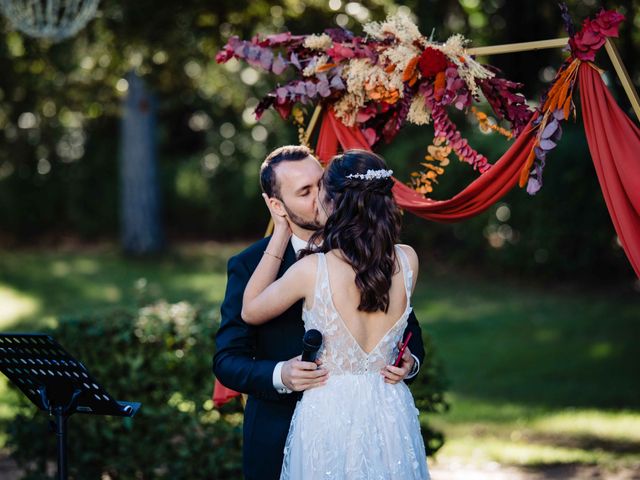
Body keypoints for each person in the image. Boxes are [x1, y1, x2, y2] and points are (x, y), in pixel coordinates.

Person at [213, 145, 425, 480]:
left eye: (321, 184)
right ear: (276, 205)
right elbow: (227, 360)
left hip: (372, 427)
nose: (318, 197)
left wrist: (409, 362)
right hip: (279, 433)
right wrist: (280, 374)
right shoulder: (248, 265)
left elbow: (408, 331)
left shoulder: (372, 259)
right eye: (304, 191)